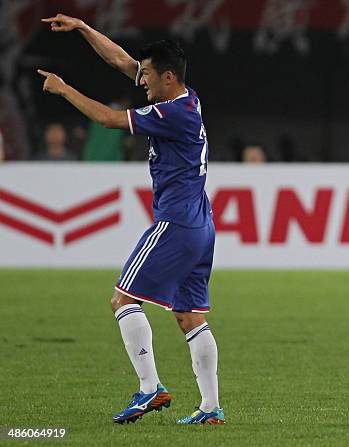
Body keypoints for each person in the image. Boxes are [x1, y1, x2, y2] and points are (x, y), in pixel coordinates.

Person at [39, 14, 224, 425]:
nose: (140, 81)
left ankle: (149, 389)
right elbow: (123, 61)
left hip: (176, 222)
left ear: (168, 77)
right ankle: (211, 408)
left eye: (147, 76)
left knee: (123, 300)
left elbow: (107, 119)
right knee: (189, 315)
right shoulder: (184, 98)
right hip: (201, 222)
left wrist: (63, 89)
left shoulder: (170, 114)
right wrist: (85, 29)